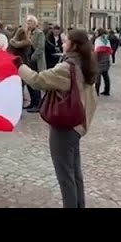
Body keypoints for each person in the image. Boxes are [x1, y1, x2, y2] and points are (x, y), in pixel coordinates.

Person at [16, 29, 98, 208]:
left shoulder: (67, 68)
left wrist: (20, 66)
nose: (62, 43)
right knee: (75, 173)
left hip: (66, 126)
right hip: (77, 124)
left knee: (65, 176)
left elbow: (38, 80)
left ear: (74, 45)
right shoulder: (85, 62)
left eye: (66, 41)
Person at [25, 15, 46, 113]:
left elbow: (40, 48)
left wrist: (33, 57)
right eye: (27, 21)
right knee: (29, 82)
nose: (28, 23)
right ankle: (32, 102)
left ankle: (38, 103)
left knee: (35, 82)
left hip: (35, 61)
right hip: (27, 60)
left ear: (35, 23)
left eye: (30, 21)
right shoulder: (26, 33)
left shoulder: (39, 33)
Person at [93, 28, 112, 96]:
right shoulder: (106, 40)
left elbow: (97, 51)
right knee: (105, 75)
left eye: (96, 32)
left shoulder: (98, 40)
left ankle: (96, 91)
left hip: (100, 59)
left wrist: (95, 60)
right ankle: (107, 90)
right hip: (106, 59)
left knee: (98, 76)